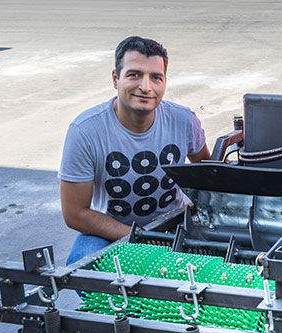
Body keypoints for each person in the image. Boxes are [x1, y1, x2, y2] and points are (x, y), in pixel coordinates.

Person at [59, 36, 211, 265]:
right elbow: (75, 214)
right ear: (115, 78)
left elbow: (209, 178)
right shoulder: (85, 131)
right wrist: (139, 238)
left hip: (173, 225)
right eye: (134, 75)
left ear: (165, 82)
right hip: (109, 232)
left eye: (156, 78)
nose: (145, 87)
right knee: (82, 264)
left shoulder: (183, 120)